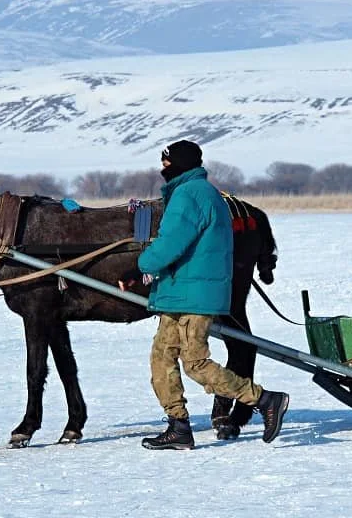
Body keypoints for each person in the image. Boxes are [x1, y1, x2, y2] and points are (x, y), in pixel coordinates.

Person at [119, 140, 289, 450]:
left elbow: (171, 244)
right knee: (161, 357)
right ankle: (178, 426)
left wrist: (139, 268)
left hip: (194, 296)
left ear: (180, 164)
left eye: (167, 162)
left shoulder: (189, 196)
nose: (163, 168)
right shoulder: (192, 193)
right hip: (178, 292)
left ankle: (264, 400)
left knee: (195, 362)